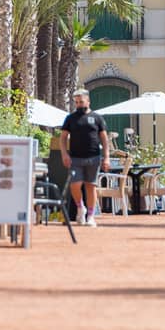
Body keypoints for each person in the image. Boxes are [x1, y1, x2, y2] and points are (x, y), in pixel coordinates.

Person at [58, 89, 109, 227]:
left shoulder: (97, 118)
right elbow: (62, 138)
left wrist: (106, 157)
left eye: (81, 102)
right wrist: (64, 154)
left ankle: (91, 216)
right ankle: (81, 208)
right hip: (75, 158)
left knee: (90, 186)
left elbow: (104, 139)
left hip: (93, 157)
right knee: (75, 184)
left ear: (88, 101)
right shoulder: (70, 118)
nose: (79, 104)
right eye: (77, 102)